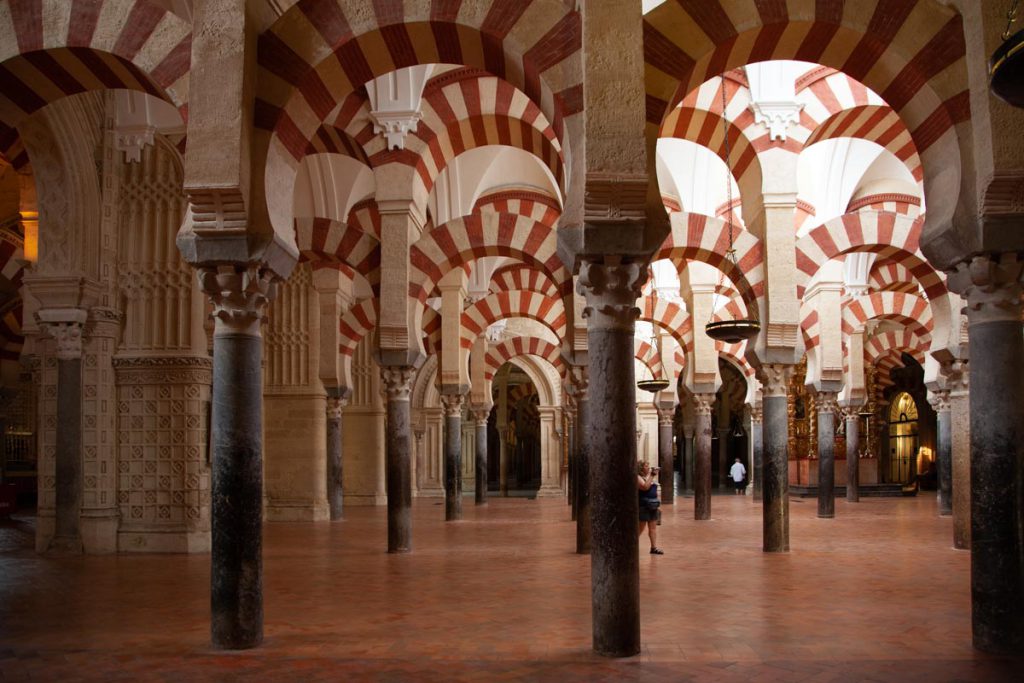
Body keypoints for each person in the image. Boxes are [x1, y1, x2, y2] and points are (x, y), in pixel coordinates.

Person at [637, 460, 663, 554]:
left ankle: (653, 547)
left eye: (648, 466)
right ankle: (632, 545)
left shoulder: (648, 477)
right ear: (640, 468)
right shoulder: (638, 477)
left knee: (653, 528)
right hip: (643, 506)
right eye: (646, 466)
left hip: (652, 505)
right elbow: (645, 487)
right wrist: (652, 475)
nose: (648, 468)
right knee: (640, 528)